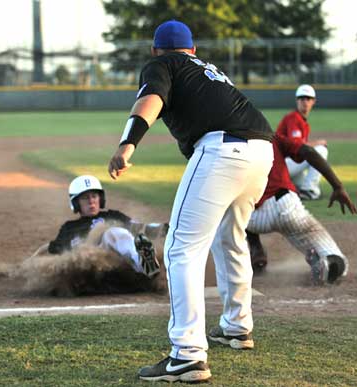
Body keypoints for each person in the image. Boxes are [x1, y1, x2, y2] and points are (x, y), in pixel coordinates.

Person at [108, 20, 274, 383]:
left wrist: (127, 144)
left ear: (155, 50)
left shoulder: (162, 64)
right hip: (262, 149)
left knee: (180, 248)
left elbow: (151, 99)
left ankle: (187, 354)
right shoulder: (209, 69)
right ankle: (236, 326)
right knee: (230, 237)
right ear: (193, 49)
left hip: (221, 150)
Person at [245, 134, 356, 281]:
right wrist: (338, 186)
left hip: (251, 219)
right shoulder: (271, 137)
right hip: (287, 208)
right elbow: (309, 152)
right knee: (337, 262)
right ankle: (325, 263)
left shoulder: (227, 146)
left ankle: (254, 249)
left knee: (230, 208)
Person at [46, 175, 161, 279]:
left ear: (100, 199)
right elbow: (54, 251)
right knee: (112, 233)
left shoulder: (113, 216)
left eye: (94, 196)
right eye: (85, 198)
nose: (91, 201)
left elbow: (139, 227)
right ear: (76, 203)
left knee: (116, 232)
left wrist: (167, 229)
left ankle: (145, 265)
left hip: (121, 264)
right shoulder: (69, 228)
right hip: (91, 271)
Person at [277, 84, 327, 200]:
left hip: (287, 164)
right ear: (297, 101)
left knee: (298, 187)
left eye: (308, 99)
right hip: (282, 165)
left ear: (313, 101)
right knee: (321, 150)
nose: (305, 102)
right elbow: (297, 145)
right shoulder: (293, 118)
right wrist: (318, 143)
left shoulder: (301, 121)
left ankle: (298, 188)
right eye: (302, 98)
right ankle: (309, 189)